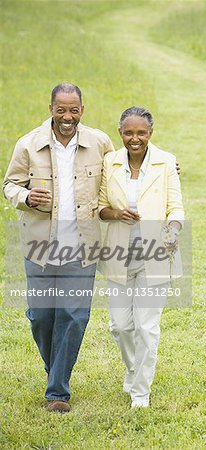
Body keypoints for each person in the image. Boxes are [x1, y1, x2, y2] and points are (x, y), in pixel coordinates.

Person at [3, 83, 114, 413]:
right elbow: (10, 184)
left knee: (73, 315)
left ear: (83, 109)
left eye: (74, 110)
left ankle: (57, 392)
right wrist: (25, 197)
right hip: (39, 246)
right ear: (51, 108)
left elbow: (124, 168)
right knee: (41, 317)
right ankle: (58, 369)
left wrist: (164, 168)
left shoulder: (99, 143)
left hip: (82, 246)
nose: (68, 116)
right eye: (61, 109)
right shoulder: (28, 144)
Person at [99, 106, 184, 408]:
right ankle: (134, 370)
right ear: (120, 133)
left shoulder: (167, 162)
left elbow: (176, 208)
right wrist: (115, 213)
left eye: (141, 133)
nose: (135, 139)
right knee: (120, 326)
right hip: (119, 254)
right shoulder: (109, 162)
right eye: (128, 133)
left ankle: (140, 392)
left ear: (150, 133)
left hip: (156, 254)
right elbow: (100, 207)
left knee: (146, 327)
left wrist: (172, 231)